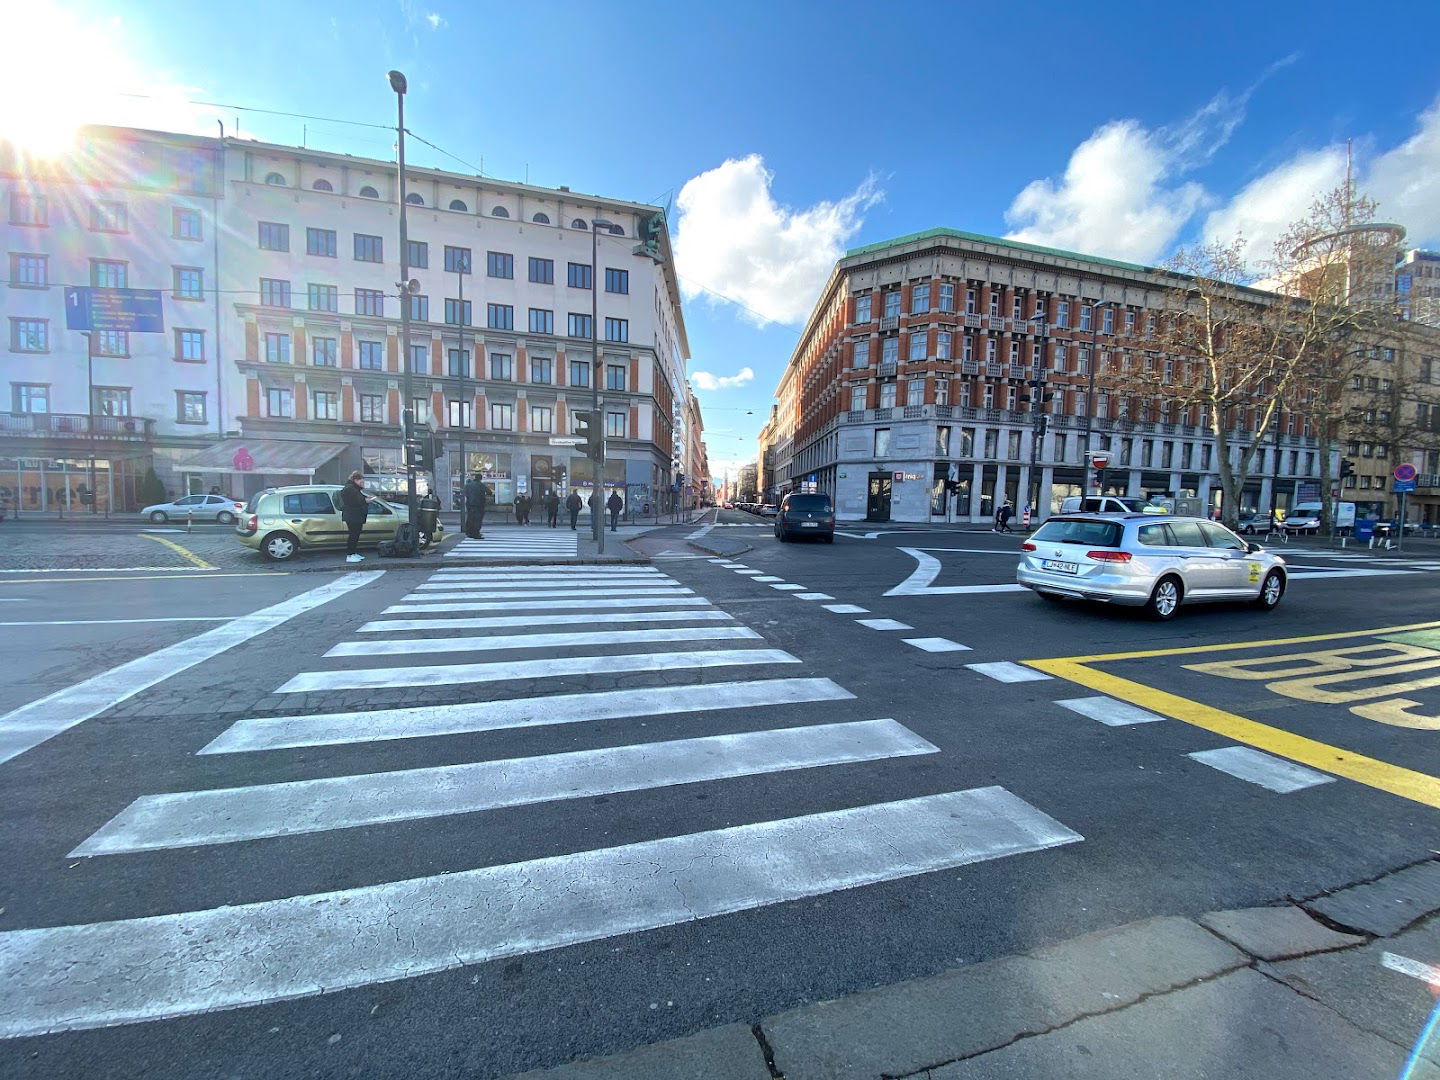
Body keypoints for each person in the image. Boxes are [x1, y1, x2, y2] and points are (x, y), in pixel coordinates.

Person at [339, 470, 369, 562]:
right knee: (353, 535)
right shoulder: (351, 489)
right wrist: (366, 501)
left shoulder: (353, 488)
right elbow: (356, 502)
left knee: (355, 535)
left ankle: (353, 553)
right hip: (353, 515)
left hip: (354, 515)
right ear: (356, 480)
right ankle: (350, 555)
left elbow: (357, 499)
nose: (362, 483)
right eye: (361, 481)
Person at [463, 473, 488, 539]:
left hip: (469, 504)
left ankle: (469, 532)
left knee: (470, 518)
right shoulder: (481, 485)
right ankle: (476, 533)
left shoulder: (468, 485)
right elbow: (489, 492)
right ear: (480, 478)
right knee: (477, 519)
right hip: (479, 505)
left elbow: (465, 493)